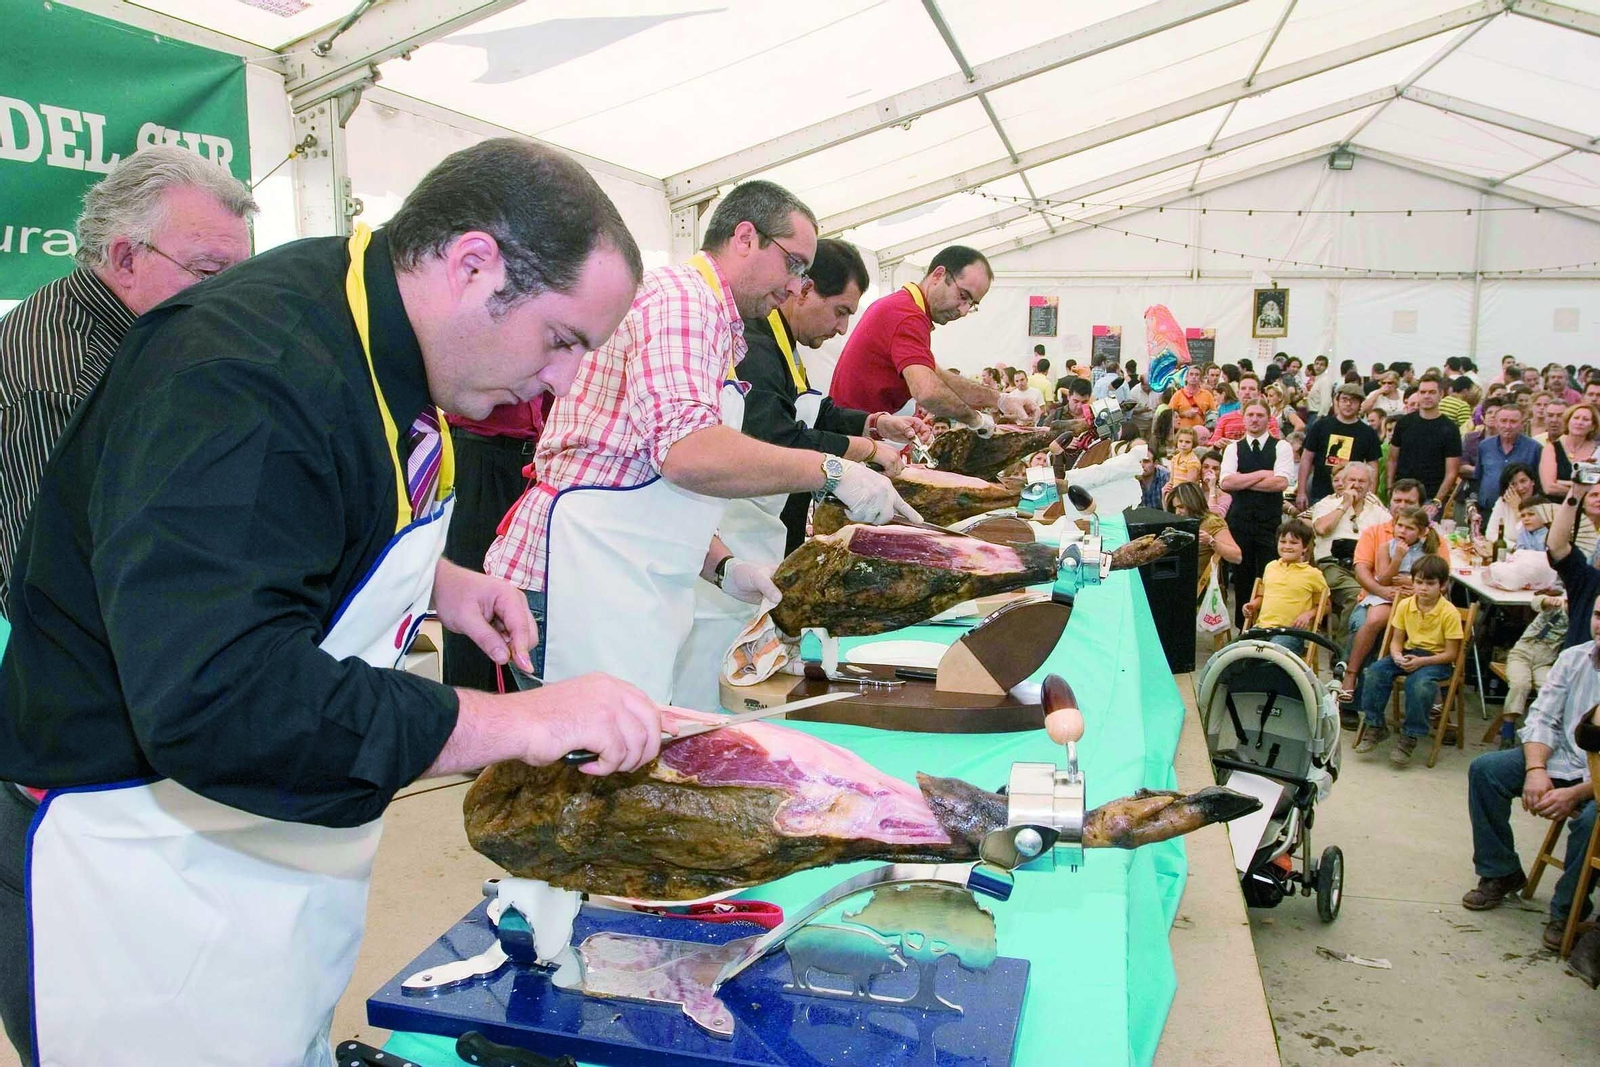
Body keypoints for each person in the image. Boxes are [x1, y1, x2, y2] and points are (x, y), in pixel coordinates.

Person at [0, 139, 667, 1065]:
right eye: (562, 341)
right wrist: (513, 721)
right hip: (140, 866)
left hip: (267, 855)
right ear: (473, 264)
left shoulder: (374, 326)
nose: (560, 384)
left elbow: (285, 519)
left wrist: (439, 585)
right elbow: (223, 697)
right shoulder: (242, 374)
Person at [485, 181, 914, 708]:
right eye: (794, 264)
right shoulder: (684, 302)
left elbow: (638, 471)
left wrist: (723, 566)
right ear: (745, 237)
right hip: (580, 577)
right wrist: (832, 470)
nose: (797, 285)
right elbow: (687, 453)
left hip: (616, 570)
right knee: (590, 767)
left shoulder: (715, 317)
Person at [673, 239, 926, 711]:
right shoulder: (750, 342)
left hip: (744, 549)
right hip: (727, 534)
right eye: (839, 311)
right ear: (803, 290)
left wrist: (873, 424)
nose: (842, 327)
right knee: (707, 693)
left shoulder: (782, 342)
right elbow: (777, 438)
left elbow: (812, 410)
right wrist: (847, 464)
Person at [0, 146, 255, 603]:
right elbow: (46, 584)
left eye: (243, 276)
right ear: (125, 260)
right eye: (208, 272)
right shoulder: (59, 378)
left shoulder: (149, 329)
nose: (232, 298)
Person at [1459, 600, 1598, 953]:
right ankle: (1500, 870)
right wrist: (1536, 770)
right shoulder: (1575, 657)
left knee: (1592, 822)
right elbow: (1543, 717)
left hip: (1595, 782)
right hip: (1561, 760)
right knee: (1486, 771)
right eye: (1598, 615)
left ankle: (1569, 910)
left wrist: (1578, 794)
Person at [441, 395, 550, 691]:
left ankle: (513, 716)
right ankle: (467, 716)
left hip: (532, 461)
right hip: (480, 449)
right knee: (471, 593)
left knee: (517, 600)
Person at [829, 244, 998, 430]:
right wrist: (976, 420)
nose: (964, 310)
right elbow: (928, 392)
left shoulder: (904, 305)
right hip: (852, 434)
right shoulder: (908, 316)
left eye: (972, 304)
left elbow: (941, 377)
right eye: (963, 296)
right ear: (938, 275)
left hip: (856, 427)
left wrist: (1001, 400)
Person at [1337, 481, 1447, 702]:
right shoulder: (1380, 538)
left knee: (1434, 624)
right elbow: (1371, 575)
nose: (1401, 506)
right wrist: (1388, 583)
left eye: (1409, 502)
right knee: (1370, 621)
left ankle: (1432, 689)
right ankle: (1351, 677)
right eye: (1397, 501)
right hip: (1383, 595)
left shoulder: (1433, 543)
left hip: (1419, 597)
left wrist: (1414, 584)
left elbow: (1441, 577)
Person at [1352, 554, 1463, 764]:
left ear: (1443, 585)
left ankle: (1410, 735)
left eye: (1430, 584)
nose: (1423, 588)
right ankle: (1375, 724)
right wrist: (1396, 655)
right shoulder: (1405, 605)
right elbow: (1396, 640)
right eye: (1419, 582)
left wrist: (1421, 662)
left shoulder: (1449, 612)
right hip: (1408, 652)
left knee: (1419, 684)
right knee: (1375, 671)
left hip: (1436, 660)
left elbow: (1451, 654)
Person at [1220, 400, 1294, 629]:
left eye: (1260, 415)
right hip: (1240, 522)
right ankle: (1242, 630)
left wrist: (1242, 480)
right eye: (1250, 414)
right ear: (1243, 418)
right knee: (1242, 578)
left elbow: (1281, 483)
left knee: (1267, 575)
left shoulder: (1281, 447)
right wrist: (1262, 474)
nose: (1254, 419)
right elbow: (1226, 482)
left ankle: (1266, 626)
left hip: (1268, 524)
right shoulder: (1233, 448)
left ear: (1268, 418)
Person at [1309, 462, 1389, 637]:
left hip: (1367, 568)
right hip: (1333, 566)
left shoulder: (1379, 513)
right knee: (1356, 595)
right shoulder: (1327, 504)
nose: (1356, 485)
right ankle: (1344, 655)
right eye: (1352, 479)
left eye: (1362, 481)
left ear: (1370, 485)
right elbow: (1322, 529)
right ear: (1343, 482)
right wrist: (1345, 505)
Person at [1241, 518, 1328, 655]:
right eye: (1283, 542)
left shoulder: (1313, 574)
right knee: (1236, 654)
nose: (1287, 546)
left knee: (1272, 655)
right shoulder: (1270, 567)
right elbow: (1263, 596)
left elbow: (1326, 605)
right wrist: (1252, 604)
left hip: (1291, 632)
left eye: (1293, 543)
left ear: (1305, 547)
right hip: (1262, 628)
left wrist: (1308, 614)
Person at [1296, 383, 1381, 509]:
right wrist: (1301, 491)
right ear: (1337, 401)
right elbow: (1306, 458)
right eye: (1344, 400)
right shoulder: (1321, 426)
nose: (1348, 404)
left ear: (1360, 404)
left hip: (1353, 495)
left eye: (1353, 401)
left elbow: (1373, 466)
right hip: (1321, 493)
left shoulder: (1368, 433)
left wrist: (1370, 496)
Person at [1497, 593, 1568, 741]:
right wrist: (1546, 600)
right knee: (1520, 684)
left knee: (1549, 688)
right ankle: (1507, 729)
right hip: (1523, 653)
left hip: (1546, 661)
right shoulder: (1556, 605)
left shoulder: (1581, 617)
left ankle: (1540, 730)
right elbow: (1536, 602)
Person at [1387, 374, 1461, 512]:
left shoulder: (1450, 429)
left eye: (1432, 392)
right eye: (1423, 392)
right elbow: (1392, 460)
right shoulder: (1404, 423)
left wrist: (1437, 501)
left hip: (1430, 498)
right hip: (1402, 495)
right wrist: (1390, 489)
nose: (1427, 396)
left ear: (1441, 394)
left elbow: (1452, 471)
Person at [1169, 480, 1240, 599]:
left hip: (1205, 592)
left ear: (1192, 503)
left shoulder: (1212, 522)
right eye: (1175, 508)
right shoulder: (1181, 522)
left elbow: (1237, 556)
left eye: (1181, 507)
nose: (1177, 512)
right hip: (1182, 588)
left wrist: (1211, 541)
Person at [1470, 404, 1542, 518]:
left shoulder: (1534, 448)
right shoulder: (1485, 446)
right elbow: (1478, 478)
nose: (1508, 426)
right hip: (1486, 513)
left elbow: (1538, 483)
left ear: (1522, 424)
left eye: (1513, 422)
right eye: (1503, 421)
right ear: (1496, 423)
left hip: (1520, 513)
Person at [1472, 462, 1540, 551]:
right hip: (1507, 553)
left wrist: (1517, 508)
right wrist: (1514, 547)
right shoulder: (1502, 503)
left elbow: (1532, 541)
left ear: (1532, 481)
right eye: (1513, 484)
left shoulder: (1542, 505)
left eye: (1523, 481)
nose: (1520, 487)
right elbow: (1491, 534)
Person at [1540, 403, 1598, 498]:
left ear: (1593, 426)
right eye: (1576, 418)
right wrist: (1582, 490)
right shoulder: (1551, 448)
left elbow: (1595, 487)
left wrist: (1561, 482)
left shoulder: (1597, 451)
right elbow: (1549, 487)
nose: (1579, 422)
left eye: (1586, 419)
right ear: (1568, 421)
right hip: (1555, 505)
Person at [1137, 445, 1170, 509]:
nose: (1141, 465)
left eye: (1146, 461)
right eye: (1139, 461)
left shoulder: (1165, 476)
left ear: (1155, 463)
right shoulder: (1130, 478)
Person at [1200, 448, 1231, 516]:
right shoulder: (1194, 490)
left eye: (1215, 469)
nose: (1209, 471)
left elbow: (1215, 517)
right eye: (1205, 467)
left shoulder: (1225, 496)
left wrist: (1212, 488)